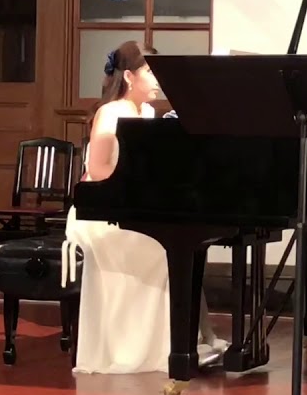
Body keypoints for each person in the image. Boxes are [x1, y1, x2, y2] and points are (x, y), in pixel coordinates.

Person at [64, 40, 227, 375]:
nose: (157, 81)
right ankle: (166, 346)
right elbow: (97, 171)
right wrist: (135, 192)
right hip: (101, 212)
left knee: (182, 245)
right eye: (150, 72)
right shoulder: (110, 113)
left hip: (132, 207)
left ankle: (190, 339)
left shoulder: (150, 115)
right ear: (128, 76)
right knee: (164, 250)